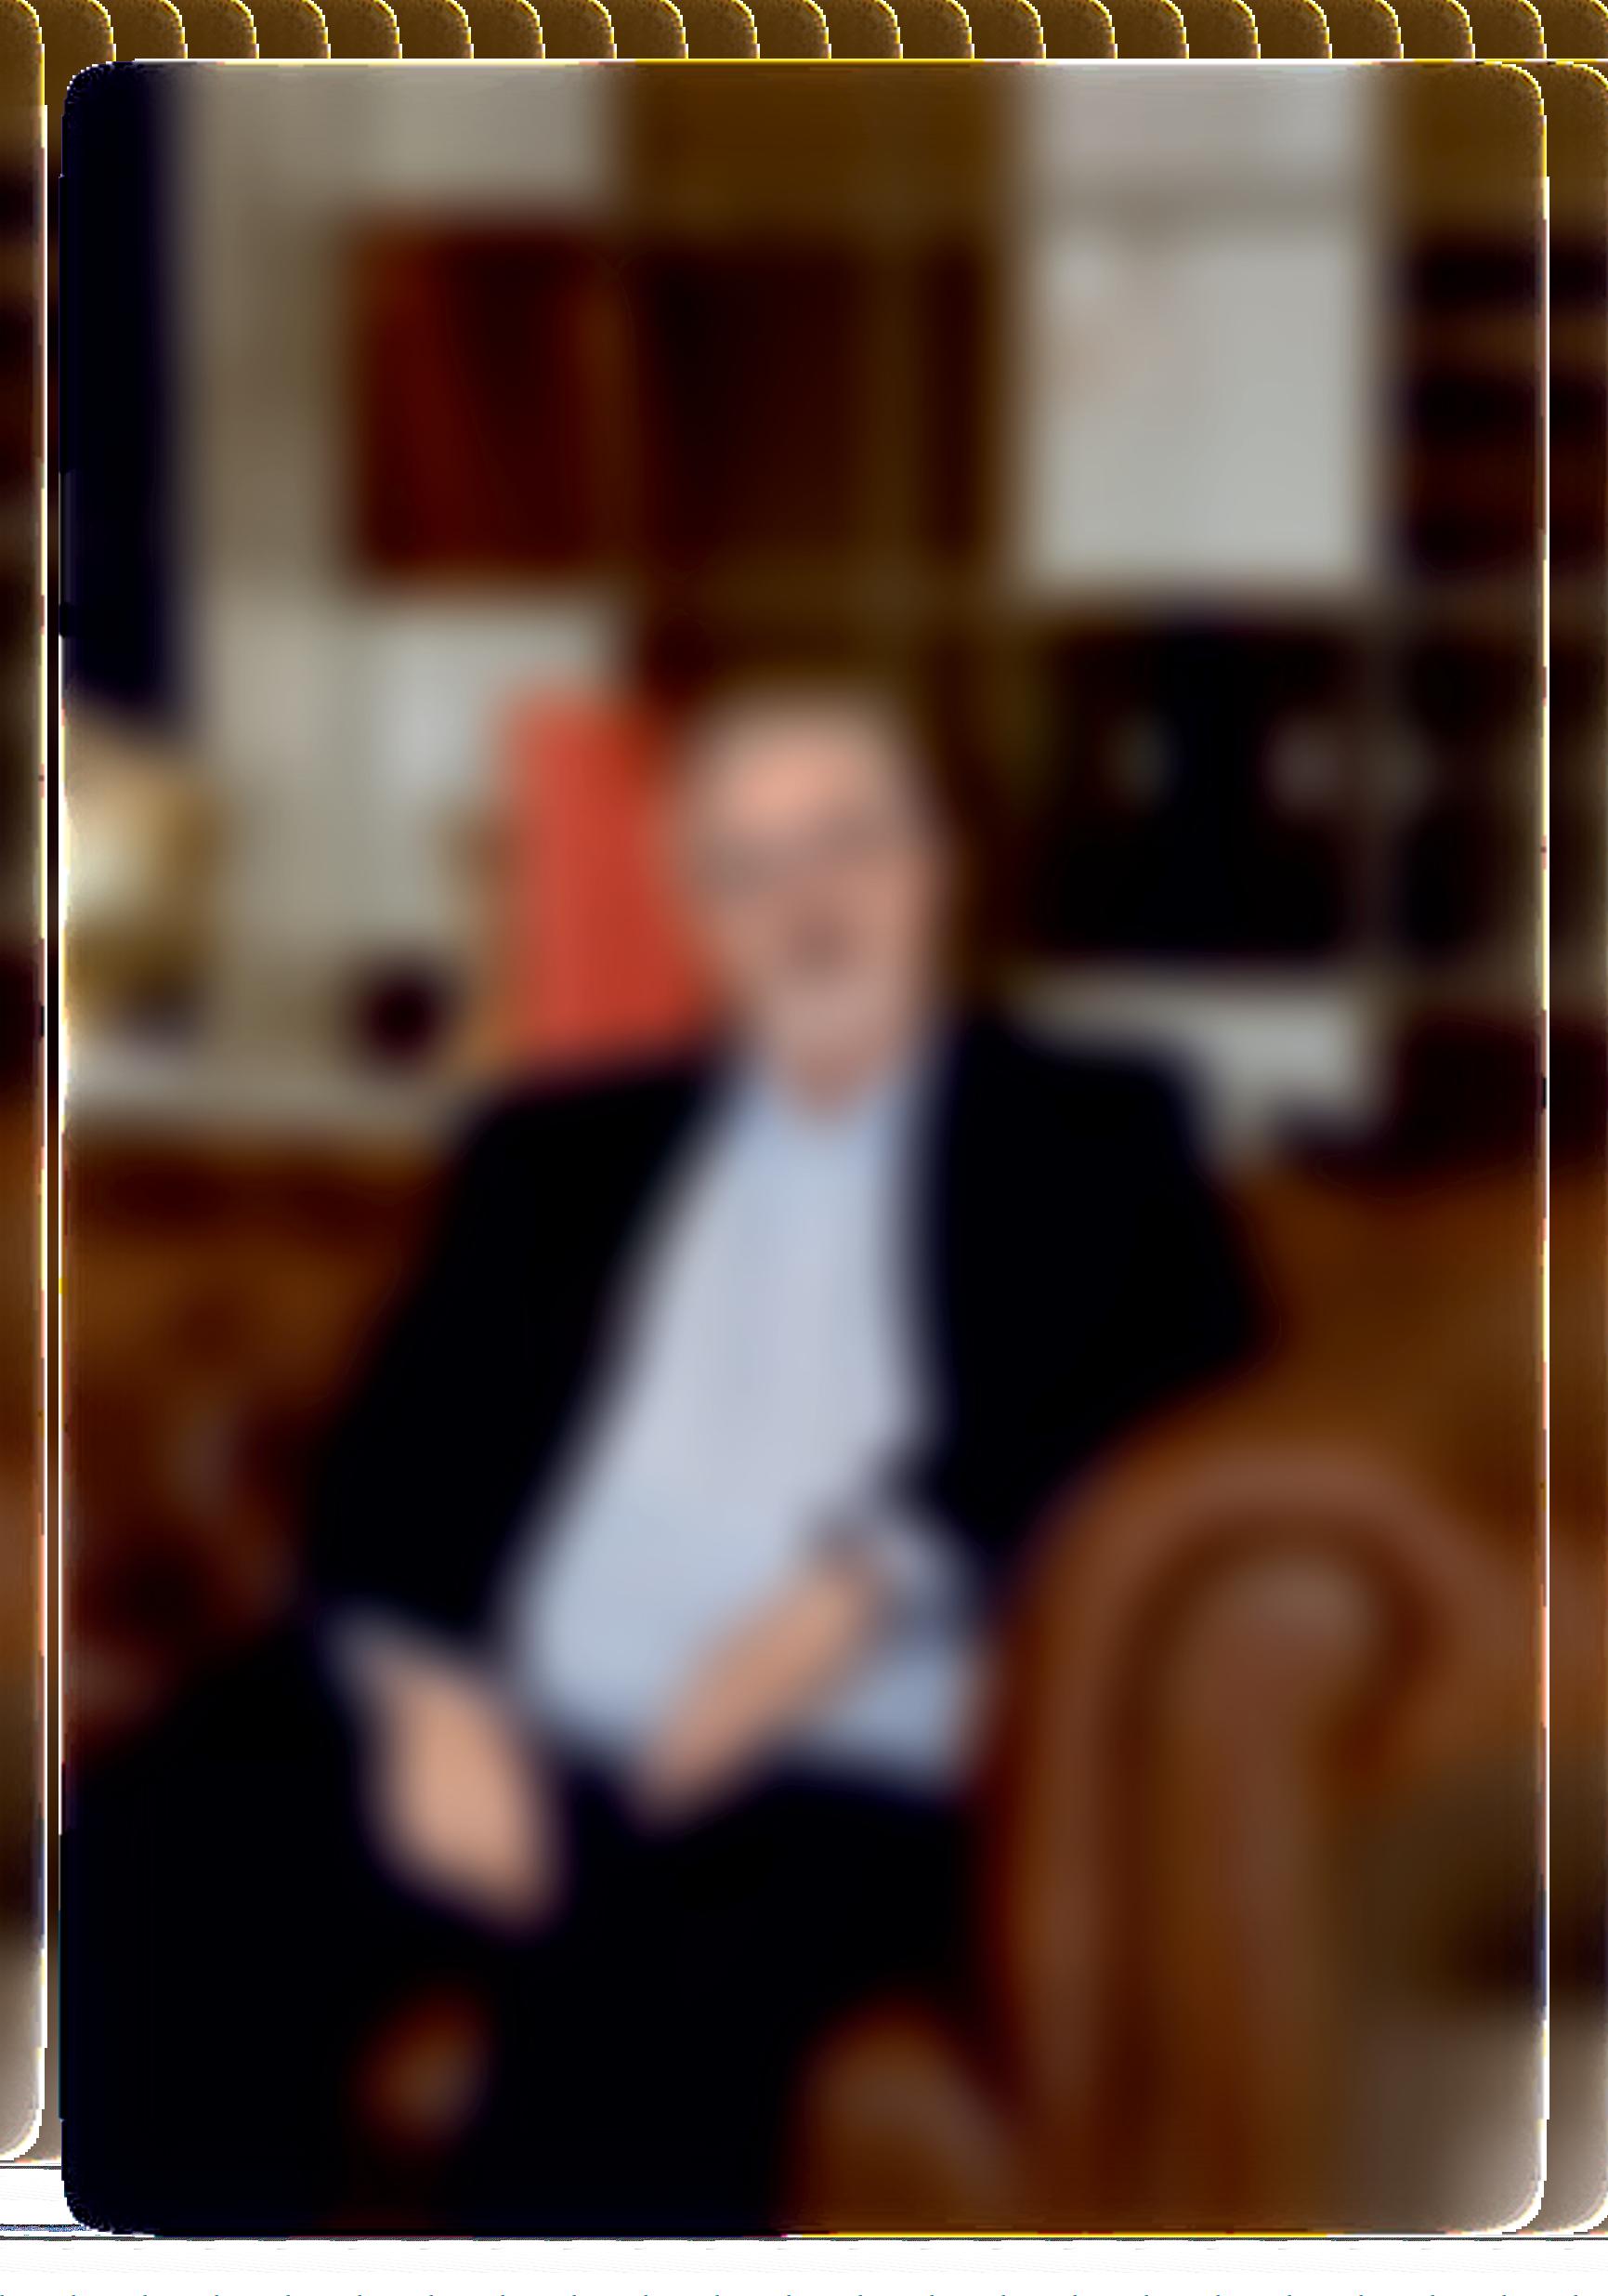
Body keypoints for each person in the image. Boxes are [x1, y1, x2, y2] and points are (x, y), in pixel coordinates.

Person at [64, 684, 1258, 2234]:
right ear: (695, 911)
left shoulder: (1087, 1127)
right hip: (516, 1715)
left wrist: (844, 1596)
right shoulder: (558, 1146)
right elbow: (396, 1446)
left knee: (641, 2014)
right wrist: (432, 1696)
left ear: (942, 870)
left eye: (850, 844)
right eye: (747, 866)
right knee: (165, 1836)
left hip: (827, 1760)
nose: (805, 903)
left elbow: (1171, 1353)